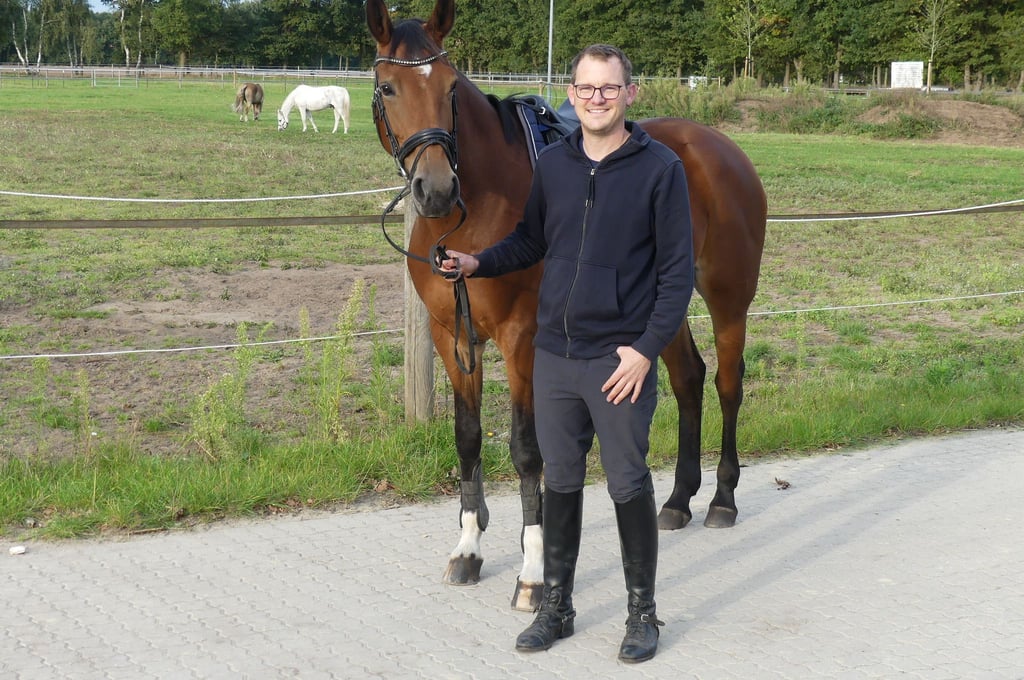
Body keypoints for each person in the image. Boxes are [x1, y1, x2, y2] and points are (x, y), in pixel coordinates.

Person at [437, 44, 693, 663]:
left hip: (618, 362)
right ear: (571, 94)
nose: (597, 98)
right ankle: (557, 605)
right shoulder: (554, 164)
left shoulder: (660, 170)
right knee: (563, 484)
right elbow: (529, 240)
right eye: (586, 88)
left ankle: (641, 614)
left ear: (630, 94)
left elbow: (677, 275)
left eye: (609, 88)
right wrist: (478, 261)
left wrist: (645, 351)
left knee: (629, 484)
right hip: (553, 356)